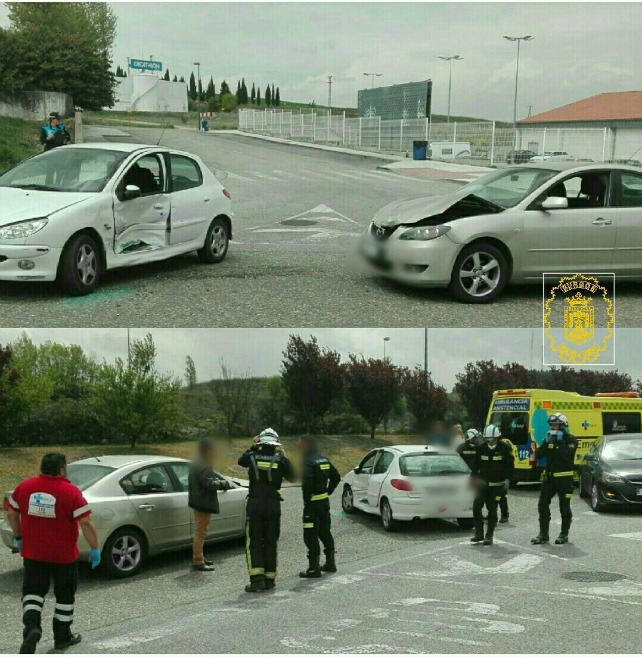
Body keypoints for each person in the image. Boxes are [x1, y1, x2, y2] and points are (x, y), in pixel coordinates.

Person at [6, 453, 101, 654]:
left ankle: (31, 628)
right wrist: (94, 548)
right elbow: (86, 523)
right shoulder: (71, 492)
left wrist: (19, 537)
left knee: (32, 594)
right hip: (64, 557)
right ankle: (62, 637)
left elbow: (12, 513)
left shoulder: (25, 487)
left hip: (33, 555)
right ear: (61, 470)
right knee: (64, 598)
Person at [238, 428, 295, 593]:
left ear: (261, 442)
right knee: (271, 541)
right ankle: (270, 579)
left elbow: (241, 460)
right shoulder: (281, 460)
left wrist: (253, 447)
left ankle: (257, 580)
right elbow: (293, 477)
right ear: (276, 443)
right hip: (273, 505)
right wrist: (284, 457)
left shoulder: (252, 456)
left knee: (254, 542)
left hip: (255, 504)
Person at [297, 435, 341, 578]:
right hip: (324, 503)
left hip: (312, 504)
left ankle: (313, 568)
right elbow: (336, 476)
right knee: (324, 532)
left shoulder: (307, 461)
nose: (299, 447)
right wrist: (328, 491)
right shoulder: (323, 459)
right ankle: (330, 563)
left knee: (310, 535)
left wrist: (306, 500)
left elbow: (307, 483)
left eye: (301, 444)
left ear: (307, 446)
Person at [531, 413, 577, 545]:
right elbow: (540, 455)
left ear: (563, 426)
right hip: (549, 479)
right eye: (551, 425)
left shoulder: (571, 440)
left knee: (564, 507)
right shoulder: (549, 439)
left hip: (564, 480)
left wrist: (560, 442)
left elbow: (566, 456)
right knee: (542, 505)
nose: (553, 427)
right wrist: (539, 447)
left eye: (555, 425)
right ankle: (543, 534)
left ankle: (564, 534)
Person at [188, 438, 231, 572]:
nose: (215, 452)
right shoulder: (203, 464)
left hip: (198, 501)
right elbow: (208, 483)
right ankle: (198, 561)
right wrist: (222, 484)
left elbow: (209, 478)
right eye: (213, 449)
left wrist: (217, 479)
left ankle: (199, 557)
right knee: (201, 532)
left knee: (200, 531)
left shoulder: (199, 462)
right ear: (207, 450)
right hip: (203, 503)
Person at [470, 425, 514, 546]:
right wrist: (472, 478)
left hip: (497, 485)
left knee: (492, 510)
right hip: (482, 485)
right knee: (476, 508)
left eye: (492, 439)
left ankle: (489, 535)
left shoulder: (504, 448)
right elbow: (476, 465)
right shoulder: (481, 448)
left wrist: (508, 480)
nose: (489, 441)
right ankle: (479, 533)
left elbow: (510, 466)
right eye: (487, 438)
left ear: (497, 438)